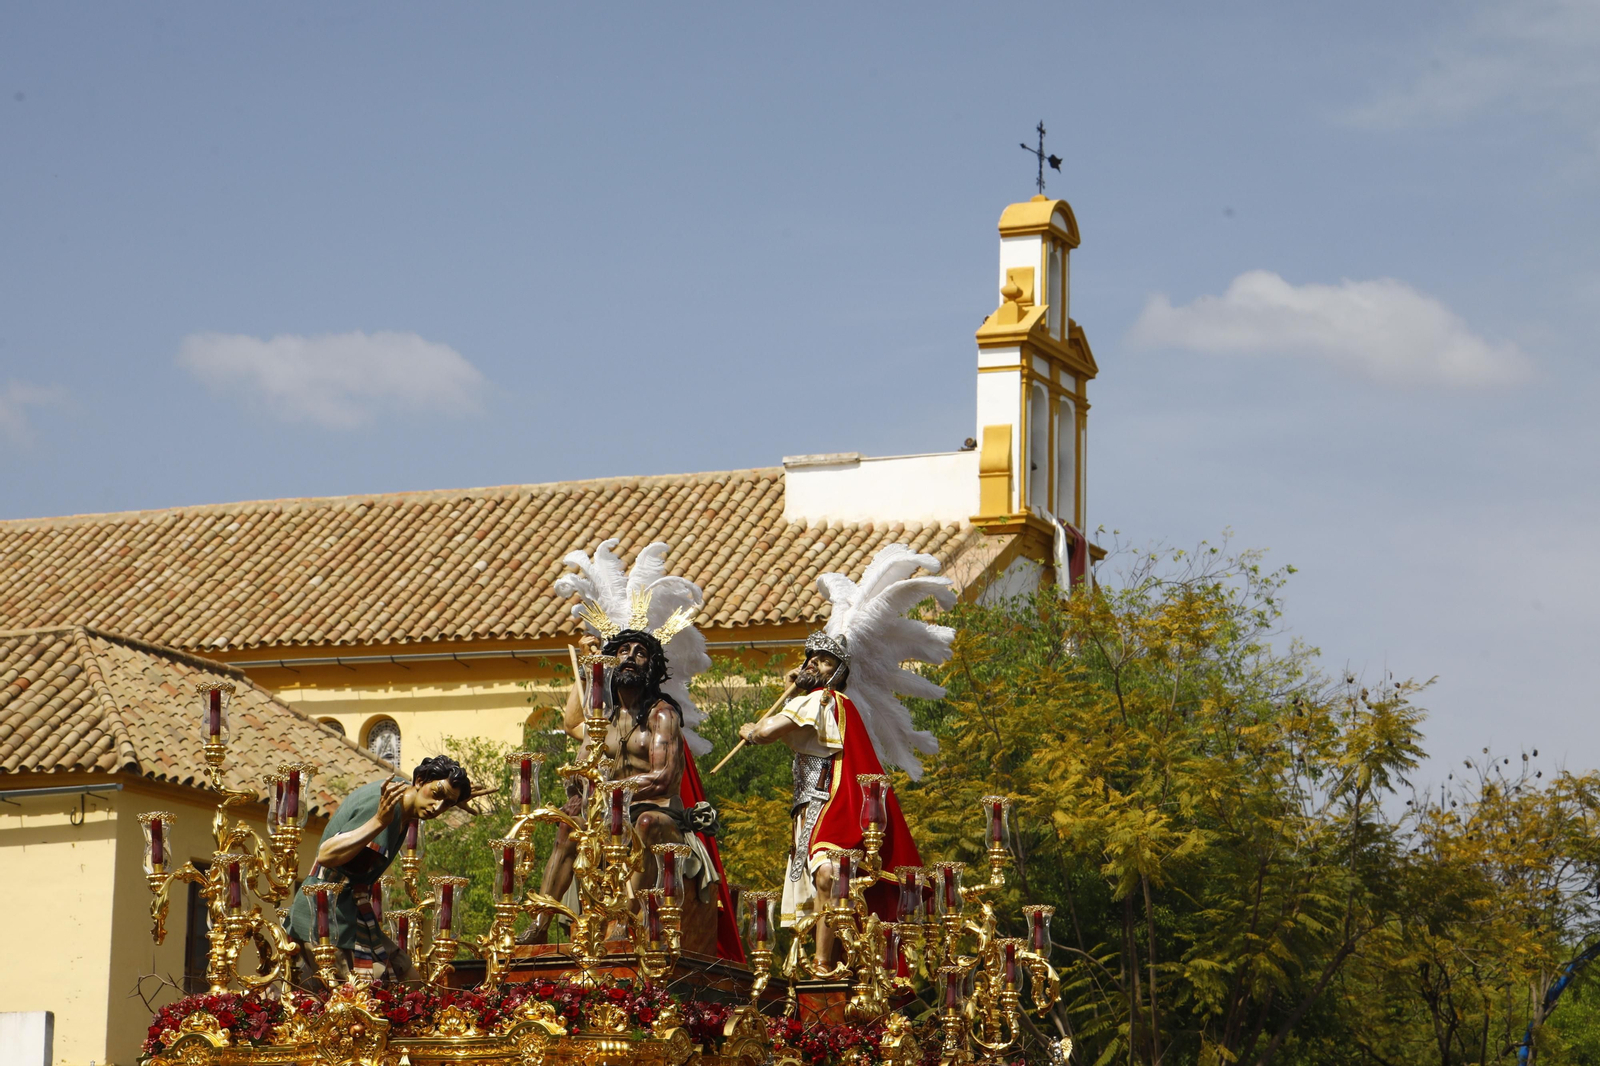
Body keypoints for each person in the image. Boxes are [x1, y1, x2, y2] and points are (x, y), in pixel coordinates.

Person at [739, 633, 922, 966]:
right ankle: (836, 965)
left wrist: (749, 730)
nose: (813, 663)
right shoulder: (822, 703)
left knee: (828, 876)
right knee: (826, 889)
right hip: (811, 807)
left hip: (828, 807)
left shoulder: (823, 699)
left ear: (839, 673)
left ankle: (824, 969)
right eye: (811, 657)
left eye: (825, 660)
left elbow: (767, 733)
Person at [284, 754, 490, 986]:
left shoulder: (405, 806)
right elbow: (326, 854)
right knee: (364, 1002)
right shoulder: (383, 804)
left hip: (353, 917)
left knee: (408, 984)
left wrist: (452, 796)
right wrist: (379, 822)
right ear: (420, 780)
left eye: (447, 804)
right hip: (324, 920)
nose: (438, 807)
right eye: (437, 794)